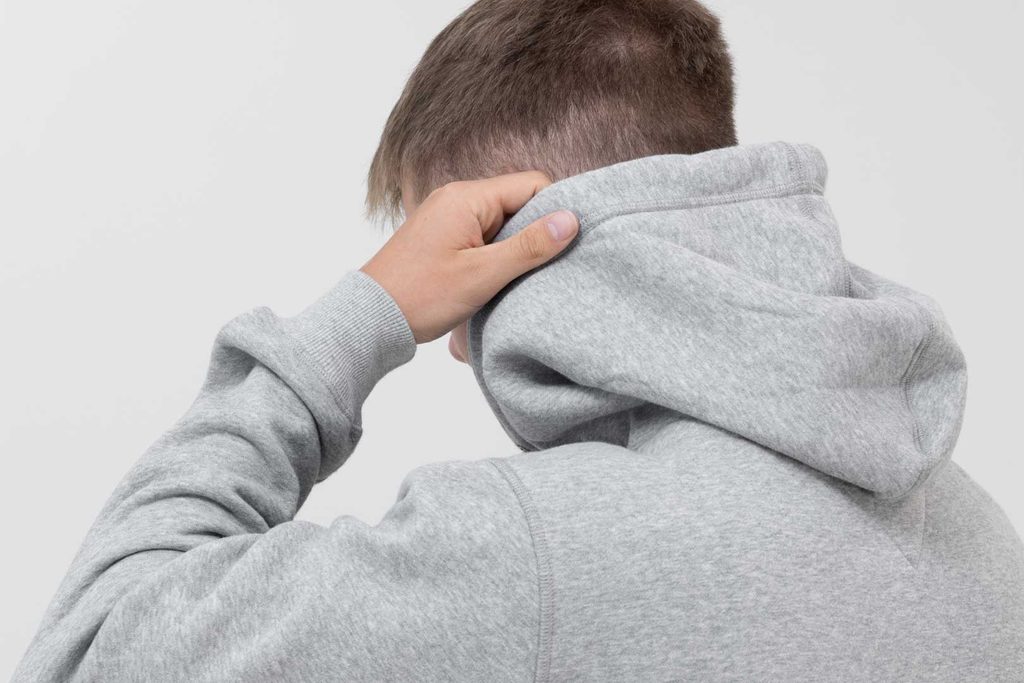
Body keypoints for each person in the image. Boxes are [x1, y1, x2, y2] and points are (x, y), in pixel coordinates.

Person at [14, 0, 1024, 681]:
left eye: (464, 288)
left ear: (525, 241)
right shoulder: (976, 530)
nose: (458, 345)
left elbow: (91, 648)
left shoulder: (527, 553)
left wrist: (369, 309)